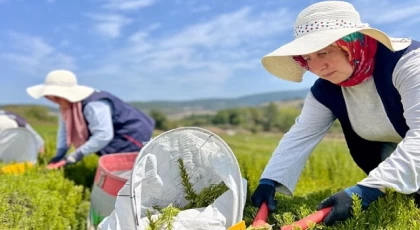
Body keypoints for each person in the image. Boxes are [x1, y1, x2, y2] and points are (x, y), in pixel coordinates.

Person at [250, 0, 420, 226]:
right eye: (308, 58)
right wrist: (270, 180)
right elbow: (301, 135)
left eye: (323, 52)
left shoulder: (408, 63)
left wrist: (363, 191)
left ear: (350, 44)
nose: (318, 67)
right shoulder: (326, 89)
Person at [26, 69, 155, 168]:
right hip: (113, 136)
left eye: (53, 96)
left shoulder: (93, 105)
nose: (52, 100)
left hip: (131, 135)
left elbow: (103, 135)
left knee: (131, 168)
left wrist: (74, 157)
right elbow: (64, 131)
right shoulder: (66, 107)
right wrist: (59, 154)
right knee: (117, 167)